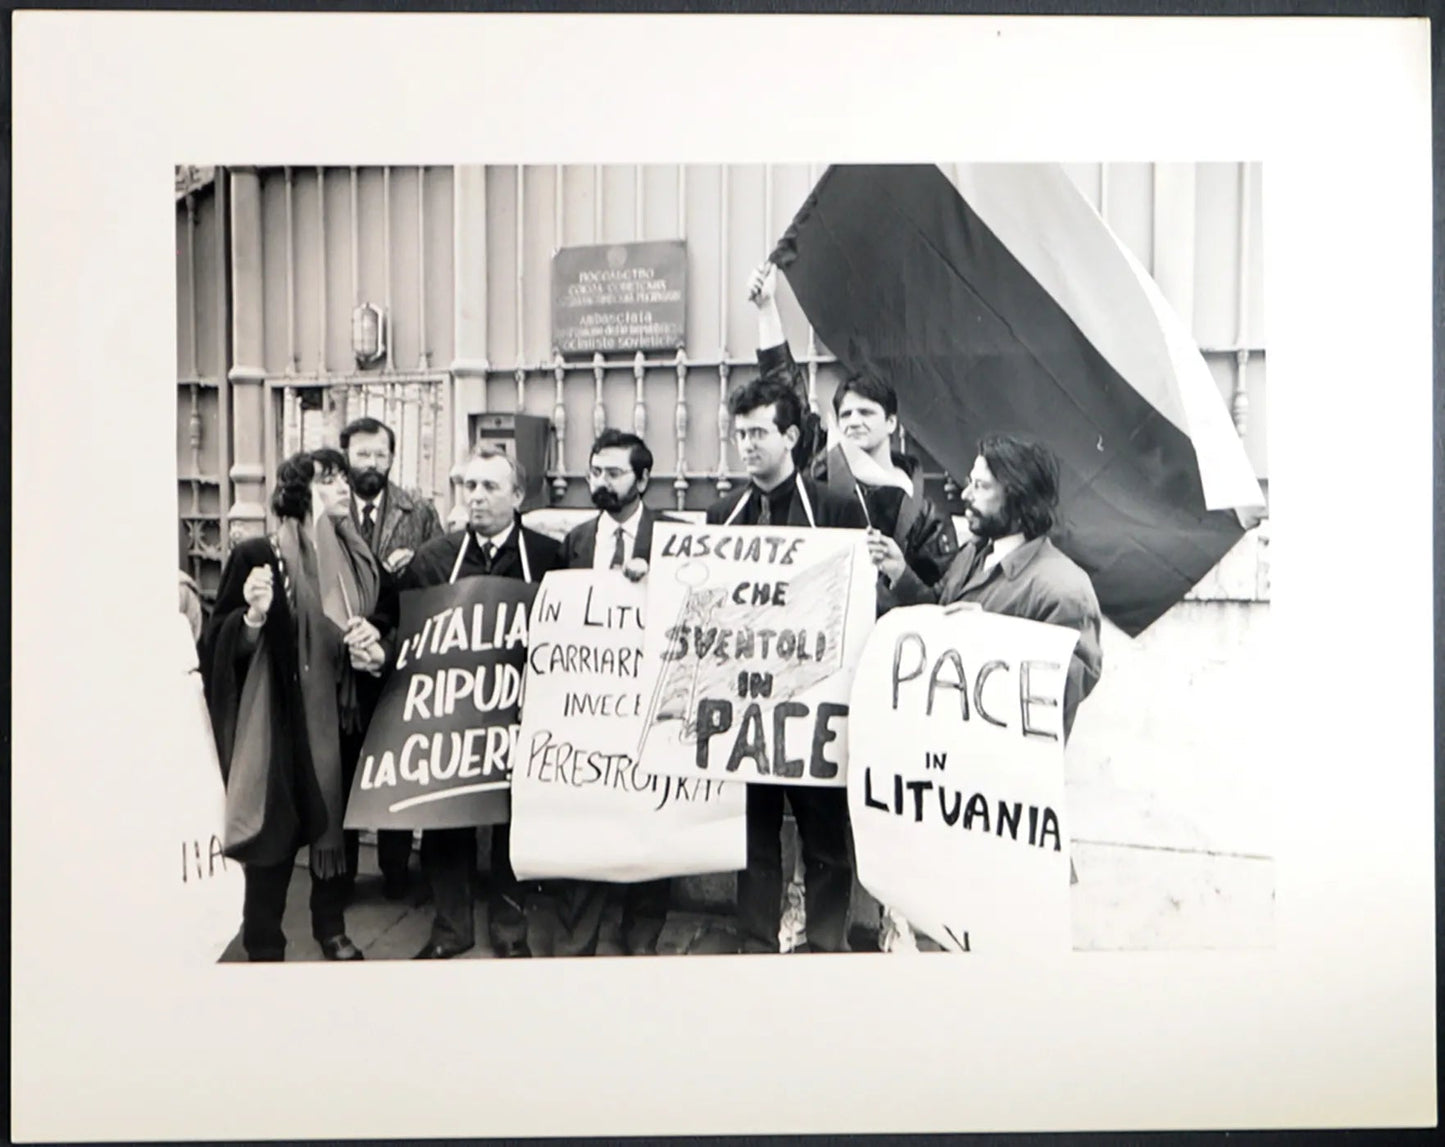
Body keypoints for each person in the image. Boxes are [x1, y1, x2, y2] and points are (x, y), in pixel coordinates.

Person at [747, 259, 962, 952]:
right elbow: (782, 392)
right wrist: (766, 313)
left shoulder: (918, 500)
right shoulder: (818, 473)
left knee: (880, 800)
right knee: (819, 803)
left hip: (882, 667)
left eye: (866, 413)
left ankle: (889, 913)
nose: (853, 423)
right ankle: (807, 909)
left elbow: (941, 592)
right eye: (843, 414)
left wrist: (898, 571)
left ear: (893, 423)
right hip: (814, 663)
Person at [707, 334, 869, 955]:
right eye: (740, 435)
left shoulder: (833, 508)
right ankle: (755, 942)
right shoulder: (723, 514)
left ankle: (826, 944)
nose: (748, 446)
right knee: (753, 831)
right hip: (747, 702)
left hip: (814, 700)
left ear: (792, 438)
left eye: (759, 434)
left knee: (825, 831)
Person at [199, 448, 386, 962]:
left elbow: (381, 614)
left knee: (336, 830)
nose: (345, 486)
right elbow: (218, 644)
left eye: (345, 477)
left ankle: (331, 926)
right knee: (275, 843)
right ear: (301, 493)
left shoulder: (354, 554)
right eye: (330, 480)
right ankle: (264, 941)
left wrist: (375, 645)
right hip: (284, 722)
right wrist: (254, 620)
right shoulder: (259, 553)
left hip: (341, 718)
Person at [400, 446, 564, 959]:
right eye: (469, 486)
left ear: (518, 496)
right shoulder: (434, 558)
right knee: (449, 820)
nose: (476, 497)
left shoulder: (546, 556)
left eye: (490, 487)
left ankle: (509, 932)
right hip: (456, 712)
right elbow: (406, 633)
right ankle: (450, 930)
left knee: (514, 824)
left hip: (522, 708)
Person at [868, 433, 1103, 739]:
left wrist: (987, 639)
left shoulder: (1064, 588)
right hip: (950, 754)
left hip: (1000, 772)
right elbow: (940, 609)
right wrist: (901, 574)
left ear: (1018, 497)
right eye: (970, 482)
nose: (965, 494)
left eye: (980, 486)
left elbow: (1064, 690)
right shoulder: (974, 553)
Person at [558, 429, 677, 956]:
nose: (600, 484)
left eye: (613, 474)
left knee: (650, 819)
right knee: (588, 819)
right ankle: (579, 935)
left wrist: (657, 583)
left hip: (650, 704)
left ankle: (641, 933)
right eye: (594, 472)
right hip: (591, 703)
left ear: (644, 479)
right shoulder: (578, 541)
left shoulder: (672, 538)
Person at [340, 416, 444, 900]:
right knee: (341, 767)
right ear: (346, 457)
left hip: (398, 656)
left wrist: (413, 565)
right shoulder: (329, 511)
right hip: (339, 662)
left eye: (381, 455)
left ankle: (397, 872)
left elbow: (440, 577)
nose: (372, 464)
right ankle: (337, 874)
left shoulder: (416, 512)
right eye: (362, 454)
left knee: (396, 763)